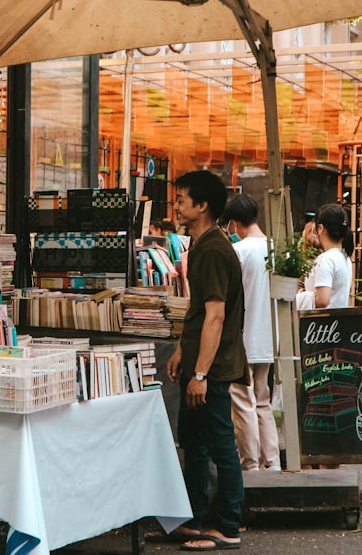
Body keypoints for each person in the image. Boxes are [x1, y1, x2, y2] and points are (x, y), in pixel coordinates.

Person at [150, 170, 245, 550]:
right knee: (194, 441)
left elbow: (216, 315)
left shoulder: (213, 249)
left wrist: (201, 373)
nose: (175, 206)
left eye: (181, 199)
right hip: (200, 363)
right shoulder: (204, 246)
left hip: (213, 368)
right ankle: (193, 519)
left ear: (202, 206)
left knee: (219, 443)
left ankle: (227, 526)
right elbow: (199, 312)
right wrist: (182, 352)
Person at [221, 194, 281, 472]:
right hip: (271, 335)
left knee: (243, 399)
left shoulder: (239, 252)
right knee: (263, 399)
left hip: (244, 335)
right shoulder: (279, 250)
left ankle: (250, 464)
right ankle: (272, 463)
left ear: (233, 222)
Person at [306, 204, 353, 309]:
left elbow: (322, 300)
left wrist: (301, 296)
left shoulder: (326, 259)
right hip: (338, 320)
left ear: (320, 228)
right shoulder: (345, 257)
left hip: (321, 323)